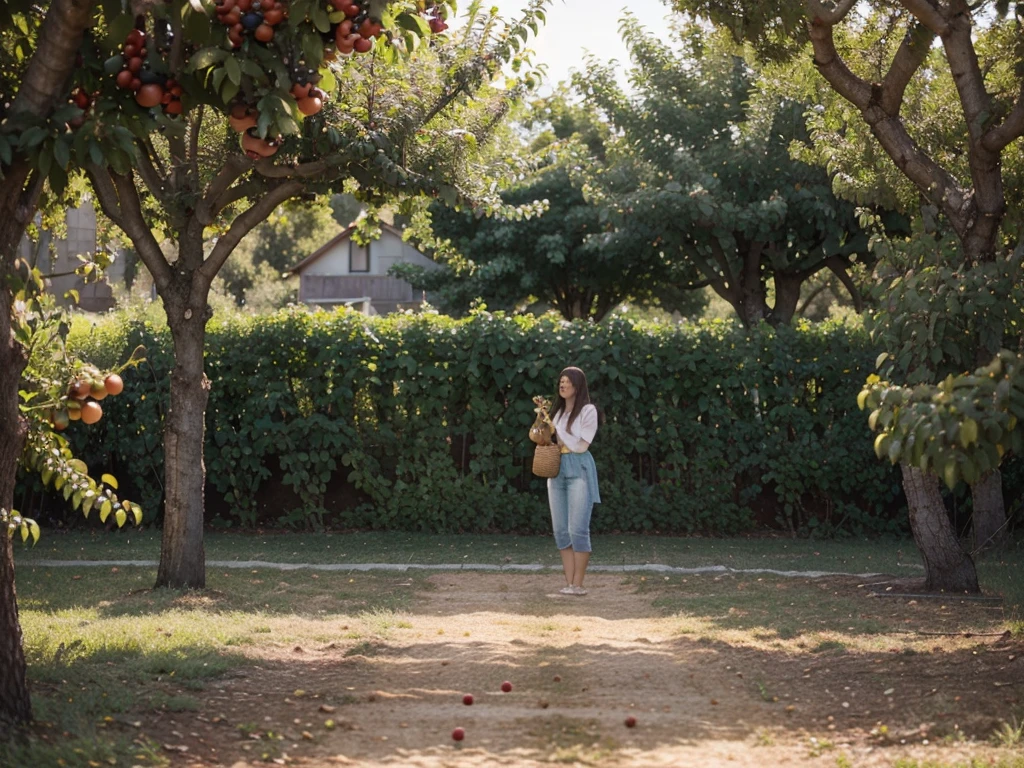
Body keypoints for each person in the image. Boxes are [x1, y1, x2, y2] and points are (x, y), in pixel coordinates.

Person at [544, 366, 600, 596]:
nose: (562, 384)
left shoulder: (588, 411)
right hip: (557, 469)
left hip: (579, 468)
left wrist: (555, 428)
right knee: (560, 531)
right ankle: (569, 584)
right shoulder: (557, 413)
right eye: (561, 381)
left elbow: (580, 445)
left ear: (578, 385)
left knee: (577, 529)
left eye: (567, 381)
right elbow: (555, 443)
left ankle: (578, 584)